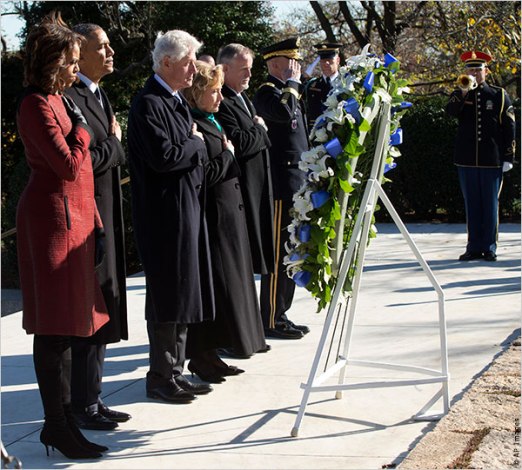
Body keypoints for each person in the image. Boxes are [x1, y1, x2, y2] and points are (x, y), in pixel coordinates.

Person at [16, 11, 109, 459]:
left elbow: (83, 174)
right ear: (53, 61)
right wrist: (87, 131)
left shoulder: (59, 99)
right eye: (71, 61)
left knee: (71, 328)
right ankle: (56, 425)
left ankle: (66, 418)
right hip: (51, 223)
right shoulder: (34, 104)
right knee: (54, 330)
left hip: (76, 221)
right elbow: (69, 164)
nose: (77, 69)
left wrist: (98, 223)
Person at [127, 30, 235, 403]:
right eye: (189, 62)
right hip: (163, 218)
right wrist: (196, 142)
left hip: (185, 210)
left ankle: (175, 370)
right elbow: (167, 157)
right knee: (166, 297)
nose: (194, 69)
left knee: (186, 292)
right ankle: (160, 375)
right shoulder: (149, 103)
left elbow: (192, 155)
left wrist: (193, 144)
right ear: (167, 62)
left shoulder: (173, 101)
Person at [183, 61, 267, 380]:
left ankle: (214, 354)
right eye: (214, 91)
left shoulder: (211, 121)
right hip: (215, 216)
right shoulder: (195, 123)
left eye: (220, 91)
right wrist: (229, 155)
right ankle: (203, 356)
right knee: (217, 288)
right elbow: (204, 173)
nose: (220, 98)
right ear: (197, 93)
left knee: (230, 286)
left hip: (231, 215)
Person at [64, 23, 130, 431]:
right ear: (80, 54)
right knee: (88, 310)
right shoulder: (71, 97)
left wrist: (112, 144)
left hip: (106, 214)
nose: (110, 53)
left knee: (104, 305)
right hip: (87, 217)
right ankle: (80, 404)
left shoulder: (99, 93)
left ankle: (94, 397)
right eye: (101, 47)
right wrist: (116, 143)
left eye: (108, 46)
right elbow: (81, 161)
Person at [215, 43, 274, 357]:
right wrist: (260, 130)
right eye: (244, 68)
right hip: (240, 190)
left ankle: (251, 331)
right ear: (225, 70)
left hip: (255, 189)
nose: (250, 74)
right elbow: (240, 141)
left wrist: (256, 129)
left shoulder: (241, 96)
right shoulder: (222, 99)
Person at [253, 37, 311, 340]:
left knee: (291, 253)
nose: (297, 68)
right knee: (278, 255)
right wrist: (292, 84)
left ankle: (281, 313)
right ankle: (270, 318)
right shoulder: (267, 93)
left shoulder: (289, 92)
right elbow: (283, 114)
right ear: (275, 64)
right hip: (279, 186)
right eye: (291, 62)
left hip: (296, 183)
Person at [446, 50, 516, 262]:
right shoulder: (460, 93)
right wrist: (463, 93)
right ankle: (473, 246)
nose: (474, 73)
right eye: (470, 69)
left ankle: (490, 246)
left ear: (486, 71)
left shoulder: (498, 95)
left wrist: (508, 157)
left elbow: (509, 126)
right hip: (466, 159)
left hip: (491, 160)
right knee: (472, 205)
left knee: (490, 205)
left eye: (478, 69)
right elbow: (450, 112)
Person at [304, 42, 343, 128]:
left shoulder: (344, 83)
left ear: (338, 61)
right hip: (316, 135)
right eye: (323, 60)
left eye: (330, 60)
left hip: (339, 134)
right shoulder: (311, 85)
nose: (326, 63)